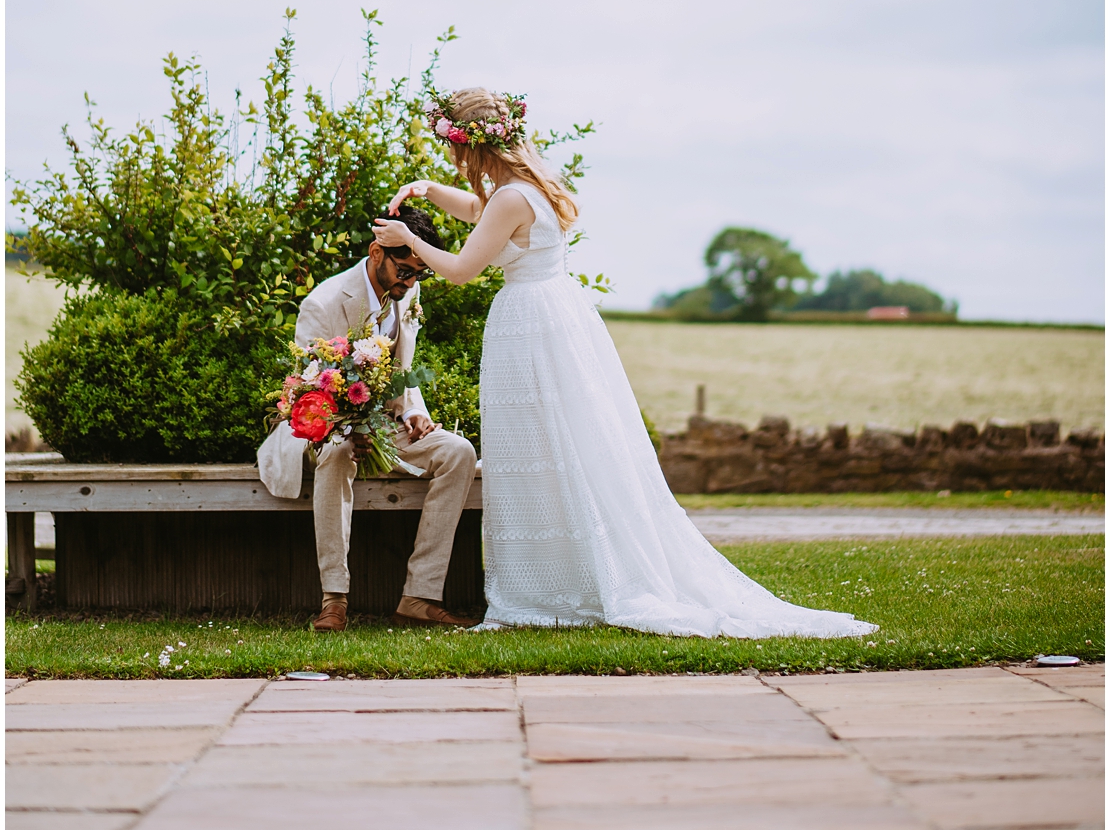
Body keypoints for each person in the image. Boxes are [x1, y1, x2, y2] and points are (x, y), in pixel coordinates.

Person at [374, 89, 877, 640]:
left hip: (531, 327)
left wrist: (406, 240)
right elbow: (479, 211)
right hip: (554, 318)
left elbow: (466, 267)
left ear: (471, 145)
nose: (454, 160)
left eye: (454, 149)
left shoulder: (510, 199)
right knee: (558, 448)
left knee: (544, 449)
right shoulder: (530, 188)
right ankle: (566, 572)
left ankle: (554, 584)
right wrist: (427, 190)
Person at [257, 205, 478, 632]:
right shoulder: (324, 302)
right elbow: (308, 393)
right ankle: (334, 598)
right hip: (321, 431)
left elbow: (399, 373)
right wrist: (349, 428)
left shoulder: (406, 293)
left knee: (459, 452)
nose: (411, 281)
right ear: (377, 252)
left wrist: (412, 410)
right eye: (404, 269)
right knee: (340, 452)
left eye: (420, 273)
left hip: (384, 425)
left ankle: (420, 596)